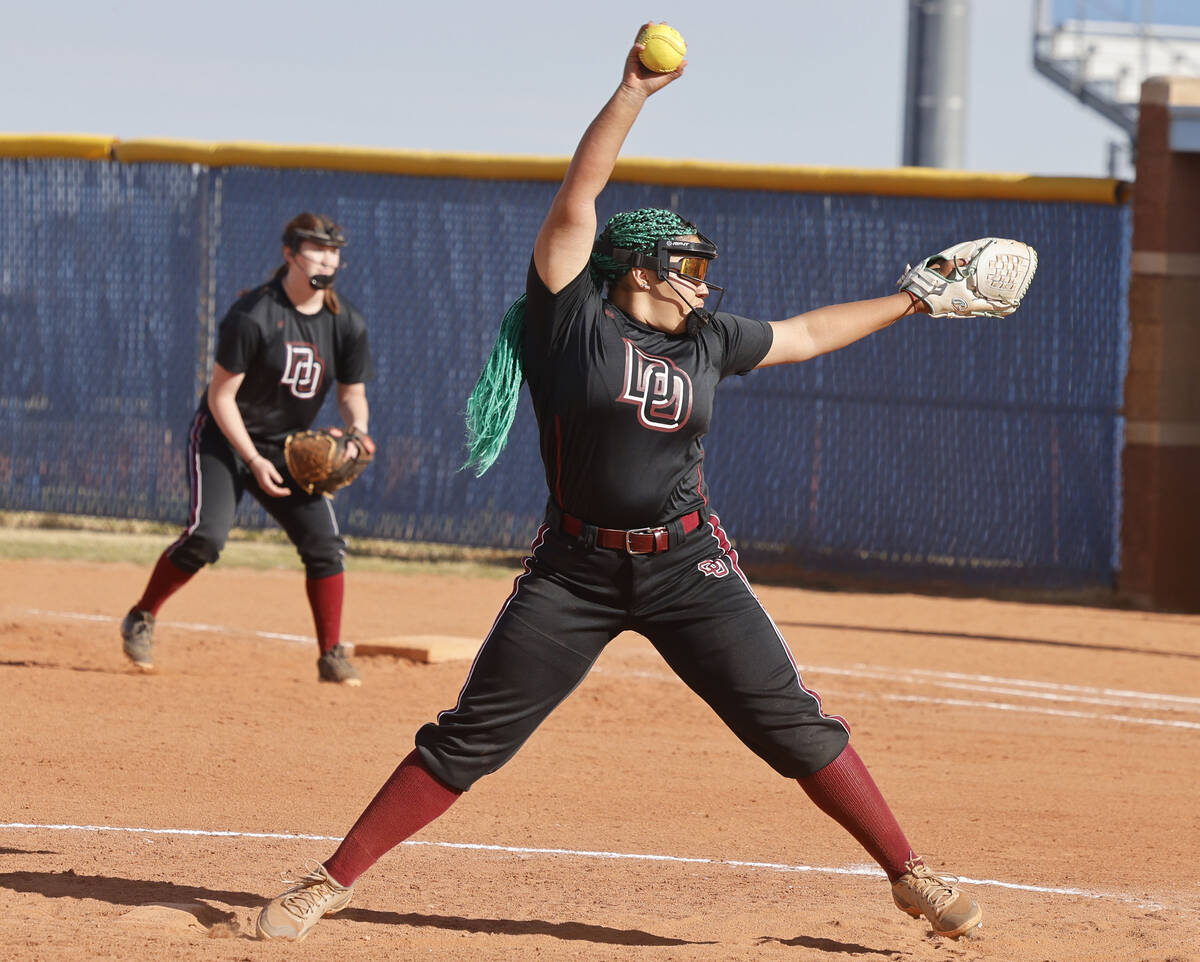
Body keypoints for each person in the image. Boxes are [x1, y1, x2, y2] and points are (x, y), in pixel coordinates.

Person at [255, 27, 983, 942]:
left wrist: (913, 297)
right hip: (574, 572)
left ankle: (908, 873)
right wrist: (634, 91)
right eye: (690, 266)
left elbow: (804, 333)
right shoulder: (573, 326)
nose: (704, 284)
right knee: (470, 737)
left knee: (791, 725)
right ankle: (328, 881)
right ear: (638, 269)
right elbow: (579, 197)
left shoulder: (707, 343)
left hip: (689, 567)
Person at [120, 212, 376, 686]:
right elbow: (221, 397)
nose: (327, 258)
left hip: (288, 447)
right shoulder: (254, 314)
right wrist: (253, 460)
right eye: (317, 248)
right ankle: (142, 614)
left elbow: (350, 393)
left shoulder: (346, 324)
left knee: (325, 546)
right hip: (223, 437)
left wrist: (357, 430)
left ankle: (331, 654)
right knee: (206, 537)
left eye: (334, 250)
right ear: (289, 255)